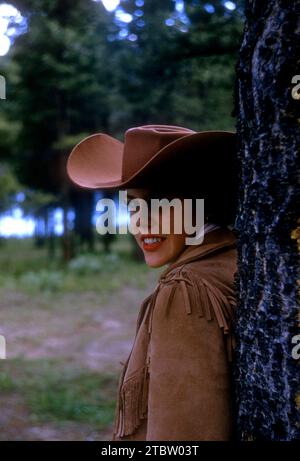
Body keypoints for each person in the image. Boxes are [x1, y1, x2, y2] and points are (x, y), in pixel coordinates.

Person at [66, 124, 238, 441]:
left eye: (161, 203)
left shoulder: (185, 291)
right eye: (133, 205)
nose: (141, 222)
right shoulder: (232, 258)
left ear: (200, 204)